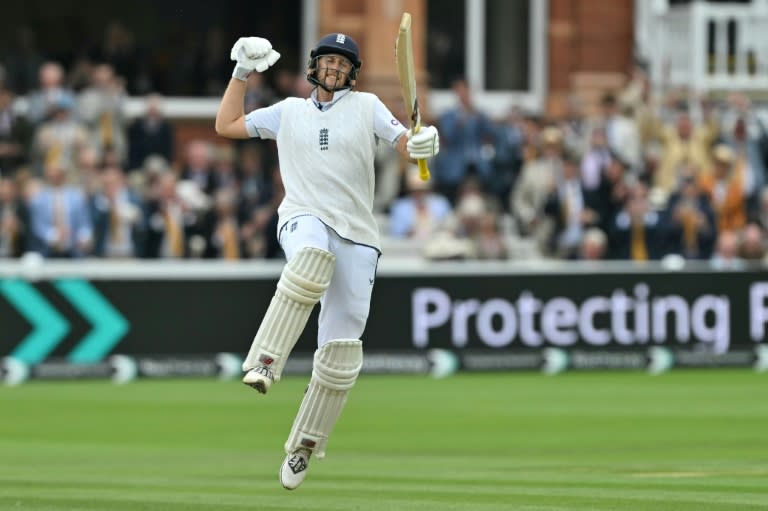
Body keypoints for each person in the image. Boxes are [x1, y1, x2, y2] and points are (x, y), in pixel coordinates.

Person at [214, 34, 440, 490]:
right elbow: (228, 125)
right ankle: (264, 362)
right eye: (328, 61)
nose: (334, 69)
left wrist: (422, 143)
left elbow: (401, 139)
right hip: (302, 215)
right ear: (314, 66)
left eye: (343, 63)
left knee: (341, 352)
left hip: (358, 234)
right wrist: (240, 72)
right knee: (311, 258)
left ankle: (304, 446)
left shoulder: (367, 105)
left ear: (352, 72)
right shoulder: (288, 111)